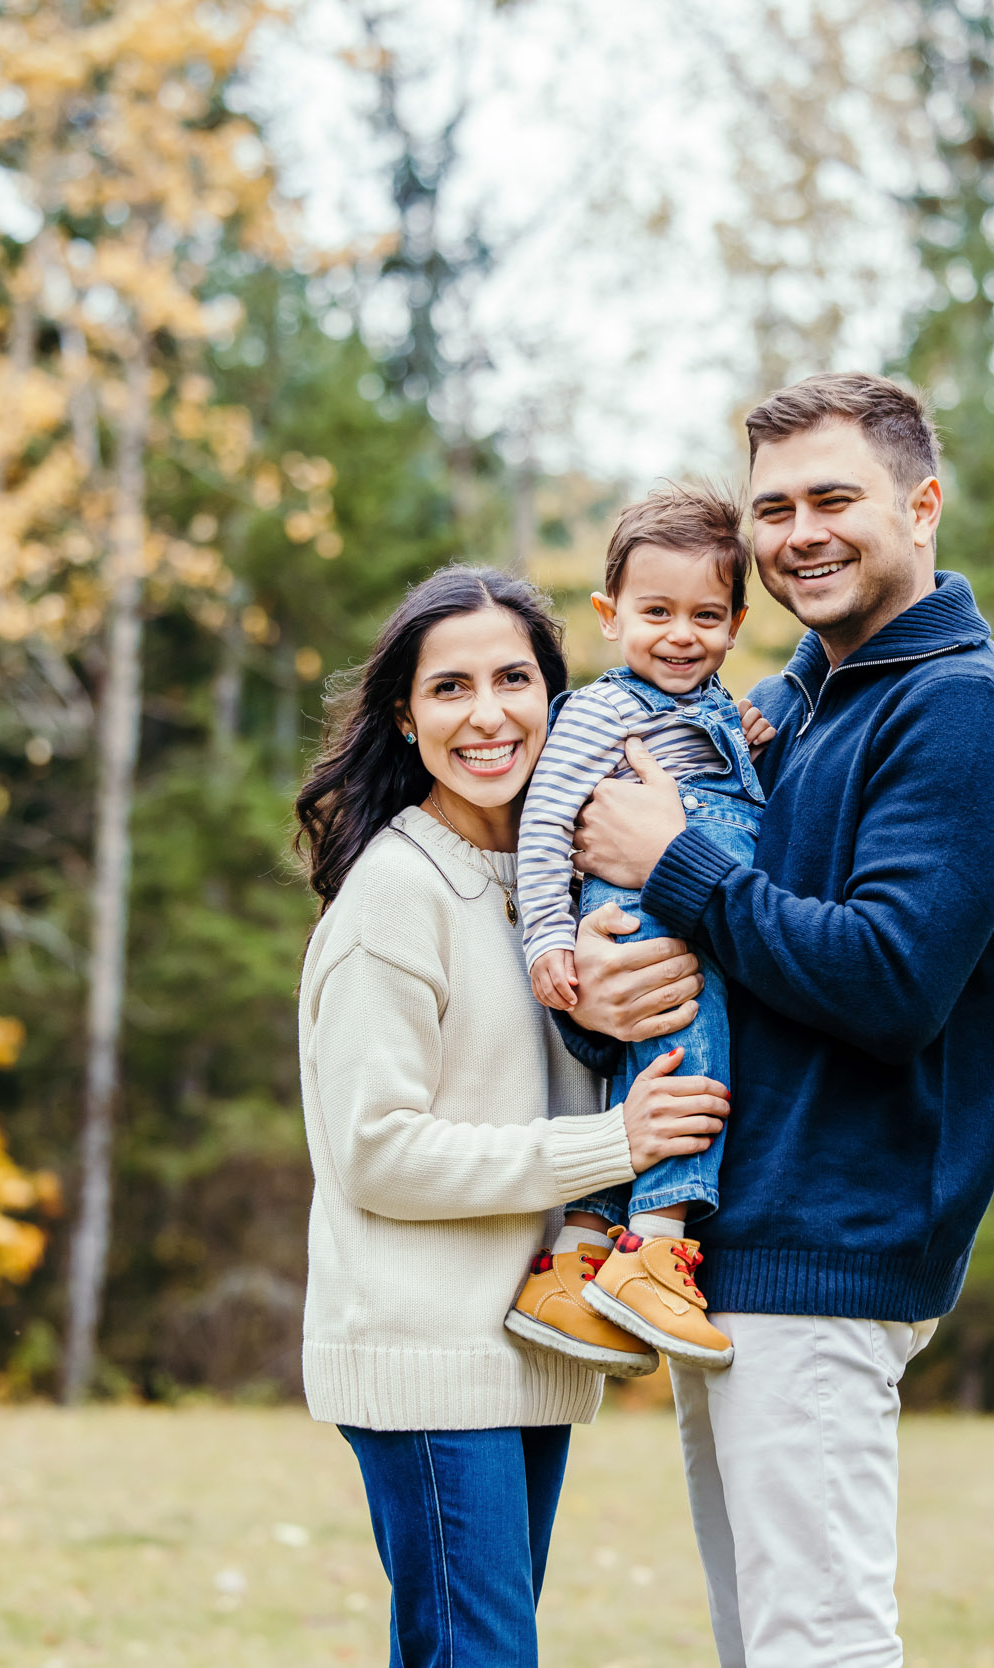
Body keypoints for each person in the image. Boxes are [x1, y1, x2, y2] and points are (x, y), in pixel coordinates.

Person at [560, 373, 994, 1668]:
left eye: (835, 498)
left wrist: (679, 860)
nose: (798, 535)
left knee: (818, 1645)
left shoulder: (958, 711)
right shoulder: (800, 701)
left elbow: (891, 982)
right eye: (772, 509)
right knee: (761, 1644)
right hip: (736, 1243)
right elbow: (723, 958)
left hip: (835, 1244)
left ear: (923, 503)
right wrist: (603, 987)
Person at [291, 565, 733, 1668]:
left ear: (557, 695)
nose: (487, 715)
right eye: (449, 689)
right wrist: (614, 1142)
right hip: (427, 1352)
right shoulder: (396, 895)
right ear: (405, 713)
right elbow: (376, 1153)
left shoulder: (557, 886)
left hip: (529, 1338)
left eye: (513, 680)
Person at [507, 484, 778, 1374]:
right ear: (610, 615)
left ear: (737, 622)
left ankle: (577, 1262)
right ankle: (658, 1250)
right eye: (655, 611)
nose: (680, 634)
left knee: (638, 1083)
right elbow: (545, 819)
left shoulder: (714, 709)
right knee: (686, 1073)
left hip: (679, 915)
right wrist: (547, 936)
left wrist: (744, 739)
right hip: (639, 924)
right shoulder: (599, 711)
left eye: (706, 614)